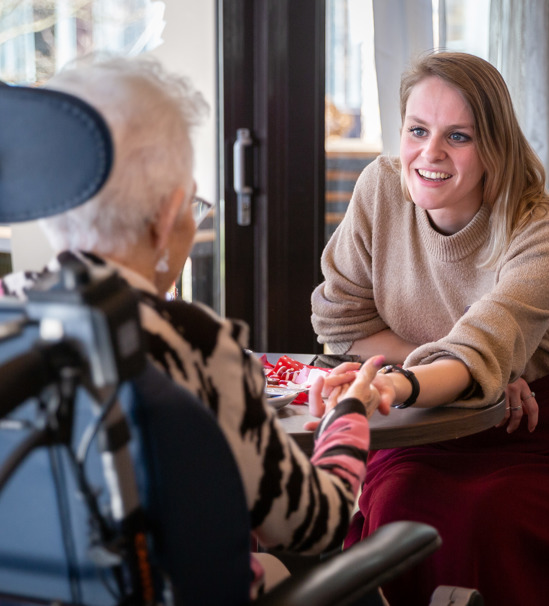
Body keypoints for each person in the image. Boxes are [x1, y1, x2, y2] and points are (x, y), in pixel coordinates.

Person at [0, 54, 392, 601]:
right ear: (167, 216)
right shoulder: (194, 342)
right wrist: (351, 412)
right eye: (195, 204)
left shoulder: (9, 320)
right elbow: (313, 524)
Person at [311, 50, 549, 606]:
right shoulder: (380, 188)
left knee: (488, 519)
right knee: (400, 512)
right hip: (420, 428)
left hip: (537, 432)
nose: (430, 153)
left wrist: (418, 379)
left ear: (494, 146)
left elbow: (484, 344)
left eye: (459, 137)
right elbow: (339, 319)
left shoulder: (544, 230)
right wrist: (473, 379)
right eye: (417, 130)